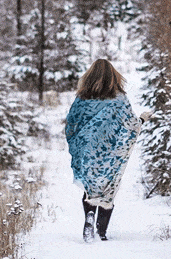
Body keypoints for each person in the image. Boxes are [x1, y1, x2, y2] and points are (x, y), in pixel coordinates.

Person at [64, 59, 149, 242]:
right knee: (108, 190)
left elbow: (71, 122)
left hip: (88, 150)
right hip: (112, 153)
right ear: (113, 76)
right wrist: (142, 120)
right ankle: (101, 233)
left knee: (90, 188)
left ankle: (89, 217)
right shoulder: (119, 99)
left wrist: (78, 143)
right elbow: (131, 125)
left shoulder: (82, 98)